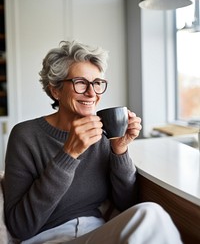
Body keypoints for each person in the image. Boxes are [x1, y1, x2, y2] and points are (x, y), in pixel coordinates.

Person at [3, 40, 182, 244]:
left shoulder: (103, 132)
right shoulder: (26, 135)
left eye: (97, 83)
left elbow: (125, 203)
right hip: (48, 239)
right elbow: (20, 227)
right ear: (56, 90)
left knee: (150, 215)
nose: (92, 93)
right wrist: (68, 155)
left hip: (98, 233)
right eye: (80, 83)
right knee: (150, 214)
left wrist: (119, 150)